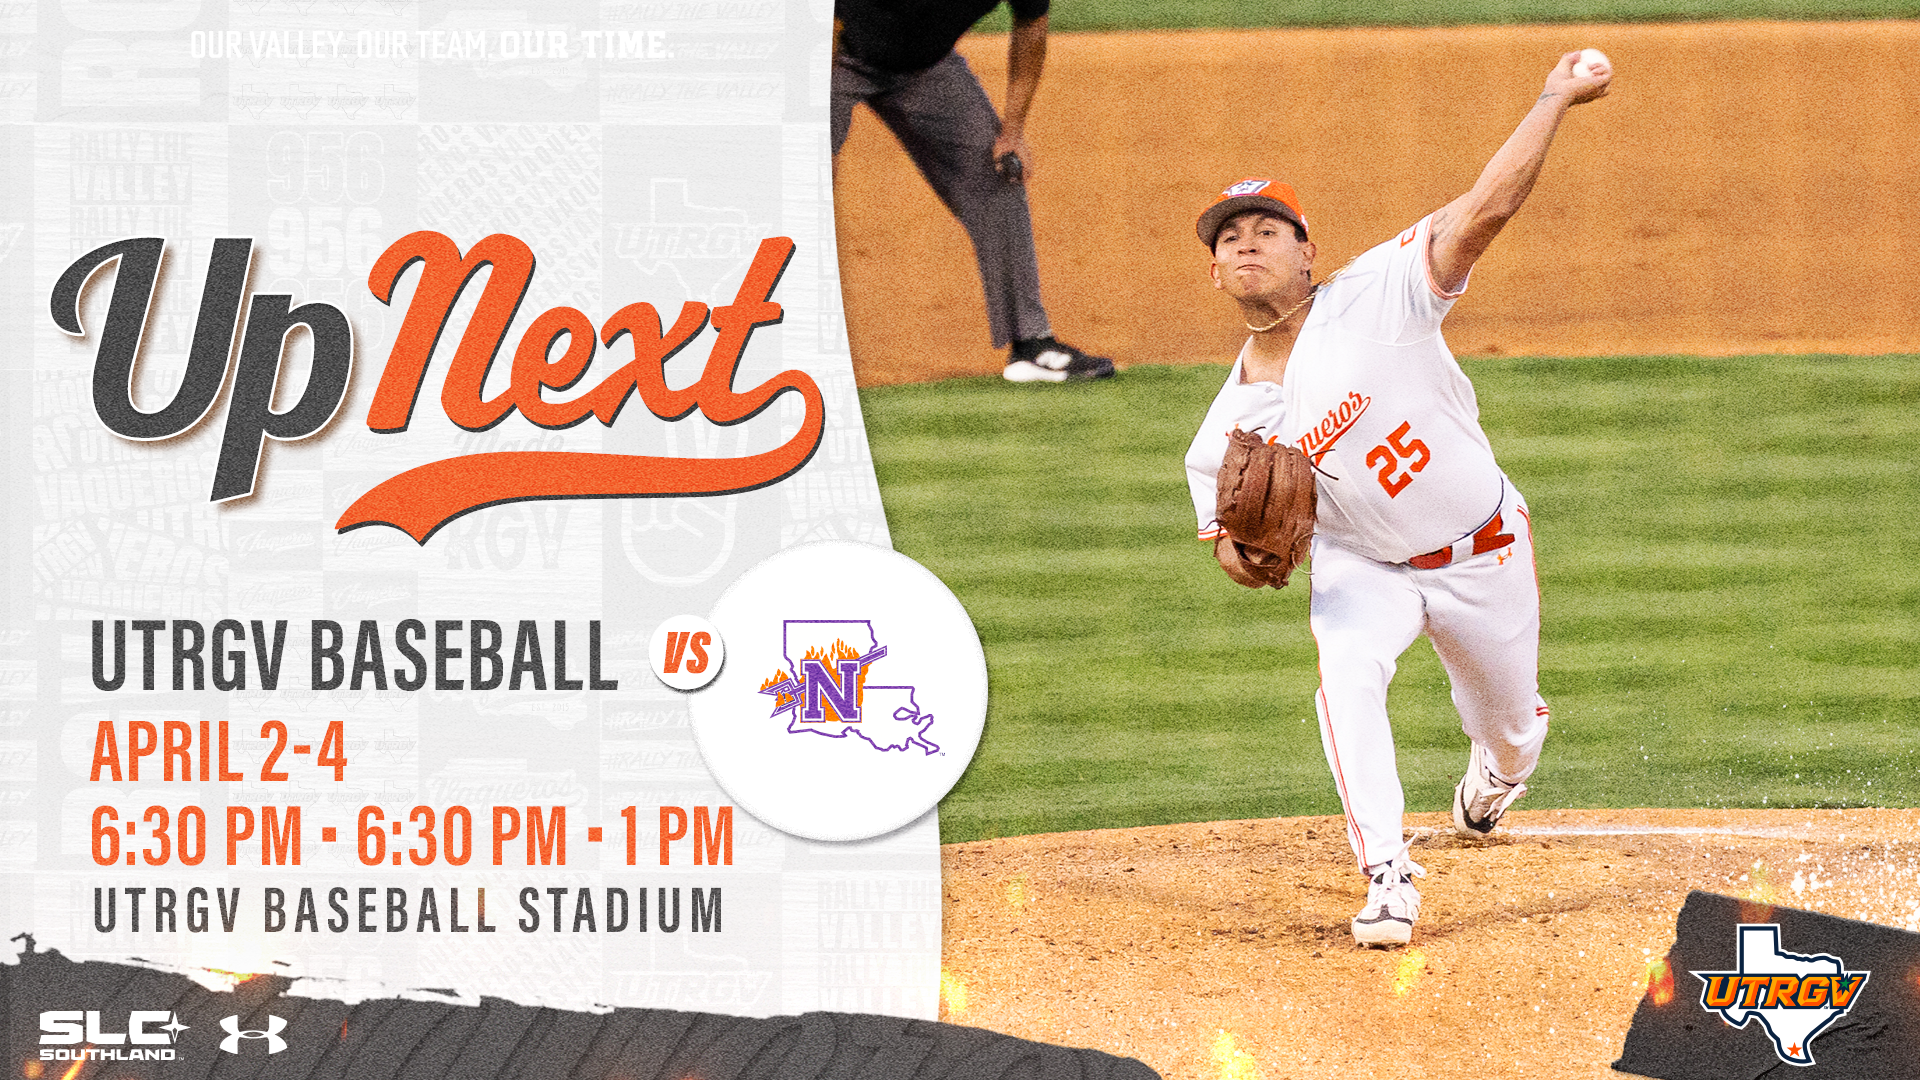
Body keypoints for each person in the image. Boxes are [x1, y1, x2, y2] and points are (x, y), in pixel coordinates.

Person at [1182, 53, 1612, 947]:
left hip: (1483, 549)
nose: (1246, 243)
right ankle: (1387, 875)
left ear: (1309, 253)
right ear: (1218, 275)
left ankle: (1494, 777)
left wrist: (1554, 97)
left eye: (1267, 229)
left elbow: (1485, 209)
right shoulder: (1224, 437)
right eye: (1229, 238)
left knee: (1512, 727)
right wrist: (1249, 558)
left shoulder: (1380, 292)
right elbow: (1230, 547)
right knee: (1343, 681)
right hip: (1362, 567)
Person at [832, 0, 1115, 383]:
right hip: (830, 54)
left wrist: (1012, 130)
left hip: (926, 68)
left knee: (997, 175)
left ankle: (1032, 345)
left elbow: (1031, 25)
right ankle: (768, 334)